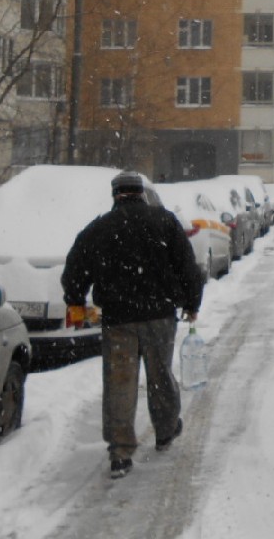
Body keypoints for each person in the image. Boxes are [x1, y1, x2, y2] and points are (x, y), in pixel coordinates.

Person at [62, 171, 206, 479]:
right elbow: (188, 267)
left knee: (119, 383)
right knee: (160, 375)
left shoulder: (99, 229)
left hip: (118, 320)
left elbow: (74, 270)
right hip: (159, 316)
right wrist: (192, 303)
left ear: (115, 195)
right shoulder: (164, 221)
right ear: (141, 193)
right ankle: (165, 430)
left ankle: (120, 452)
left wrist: (75, 300)